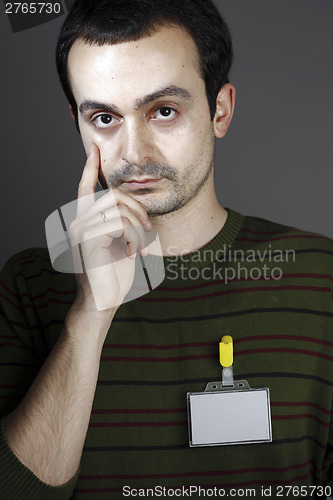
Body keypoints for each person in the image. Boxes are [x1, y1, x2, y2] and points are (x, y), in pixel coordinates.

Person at [1, 0, 333, 498]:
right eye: (105, 118)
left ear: (219, 110)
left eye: (163, 111)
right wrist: (89, 314)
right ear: (77, 121)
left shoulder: (321, 277)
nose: (134, 154)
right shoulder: (27, 285)